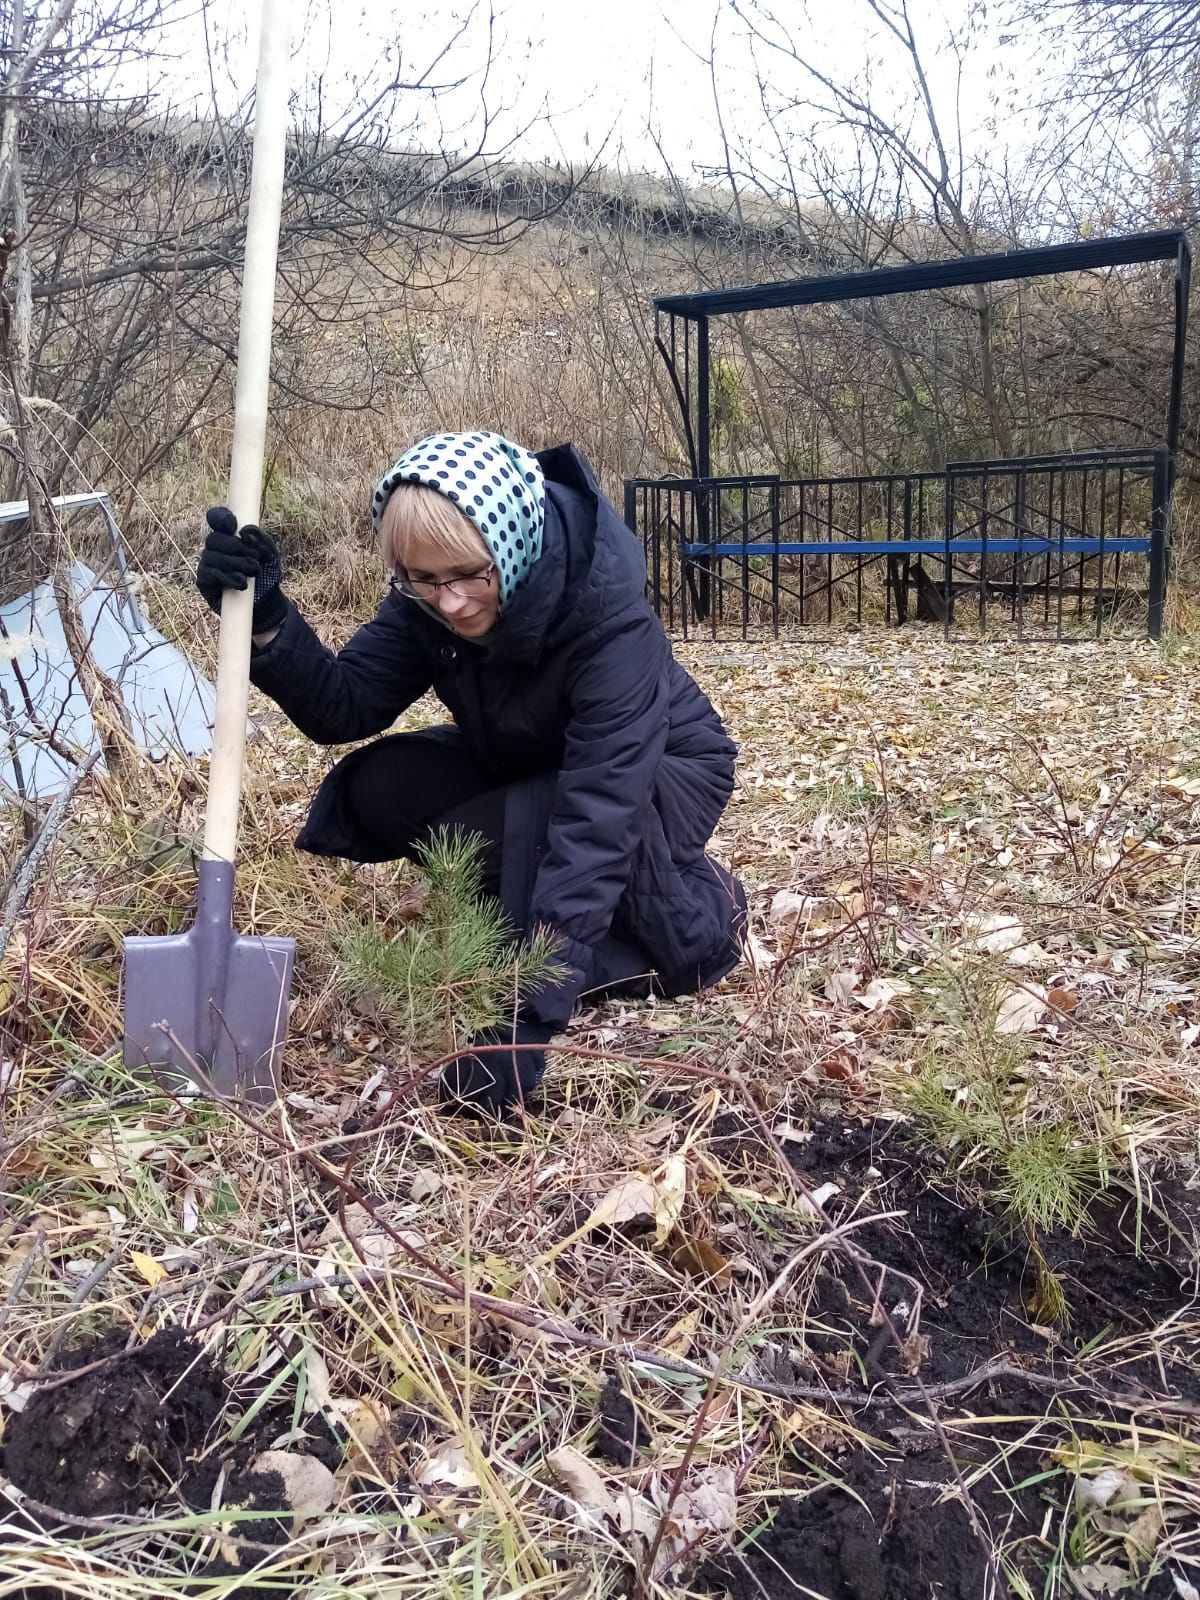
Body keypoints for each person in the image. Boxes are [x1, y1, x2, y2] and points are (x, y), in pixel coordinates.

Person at [196, 431, 745, 1114]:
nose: (450, 603)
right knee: (382, 792)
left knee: (520, 831)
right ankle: (527, 921)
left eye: (466, 575)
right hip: (531, 758)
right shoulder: (427, 601)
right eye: (423, 580)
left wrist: (521, 1024)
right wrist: (267, 621)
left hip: (664, 771)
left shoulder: (609, 624)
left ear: (509, 544)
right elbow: (344, 704)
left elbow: (598, 815)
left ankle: (700, 916)